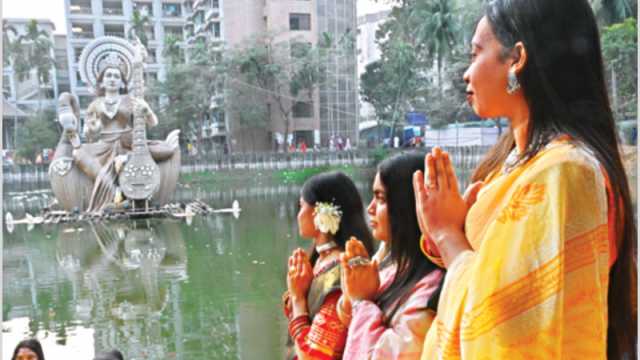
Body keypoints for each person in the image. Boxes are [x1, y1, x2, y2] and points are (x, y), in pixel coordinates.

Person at [414, 1, 637, 358]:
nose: (466, 73)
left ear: (516, 59)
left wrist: (448, 235)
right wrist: (450, 230)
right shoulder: (516, 164)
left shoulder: (565, 172)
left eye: (476, 53)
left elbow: (506, 324)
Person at [339, 153, 444, 359]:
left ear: (405, 206)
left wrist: (361, 300)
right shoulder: (394, 265)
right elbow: (347, 319)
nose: (370, 208)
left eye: (380, 198)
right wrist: (351, 291)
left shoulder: (430, 290)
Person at [284, 171, 375, 359]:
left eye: (301, 206)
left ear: (319, 213)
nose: (298, 214)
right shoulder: (320, 260)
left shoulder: (343, 270)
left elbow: (315, 356)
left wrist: (298, 298)